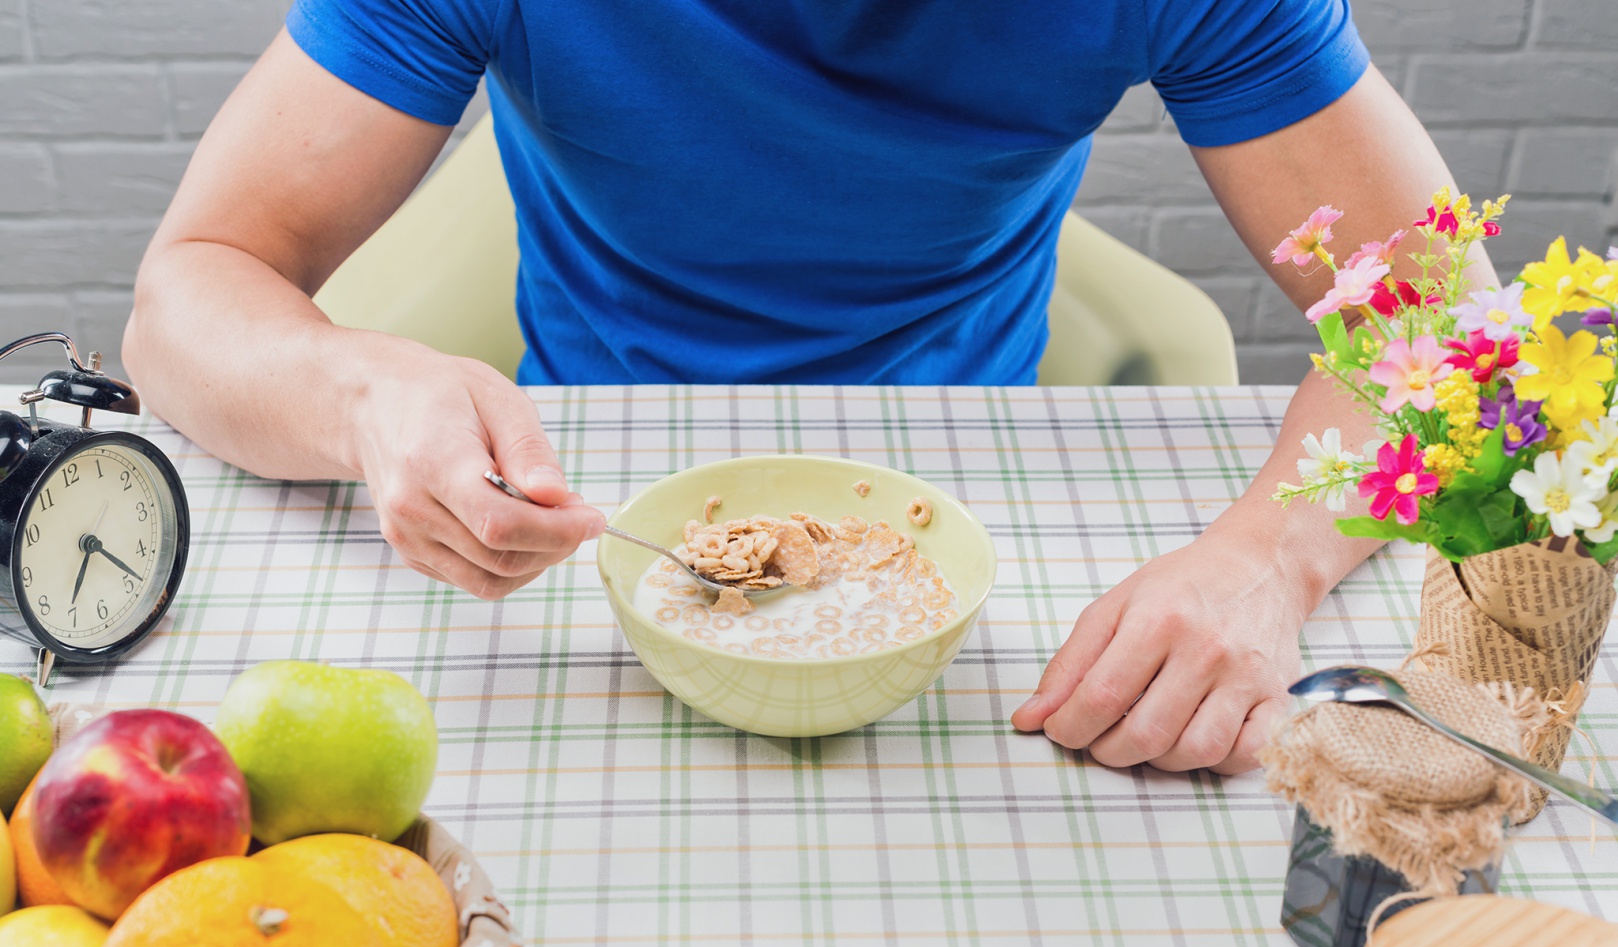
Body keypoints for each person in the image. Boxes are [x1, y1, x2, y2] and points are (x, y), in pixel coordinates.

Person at [123, 0, 1495, 775]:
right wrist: (366, 391)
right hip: (593, 520)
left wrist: (1266, 562)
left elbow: (1451, 335)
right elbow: (187, 294)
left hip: (979, 512)